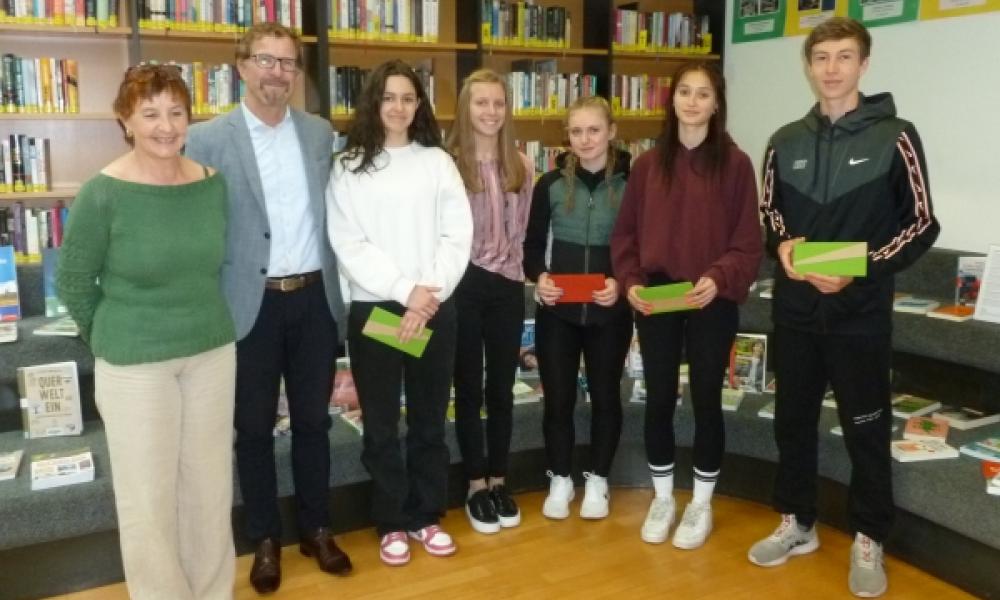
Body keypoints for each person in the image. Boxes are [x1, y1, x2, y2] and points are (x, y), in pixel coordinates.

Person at [748, 17, 939, 598]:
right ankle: (797, 521)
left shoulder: (897, 134)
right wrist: (782, 247)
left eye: (844, 57)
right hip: (797, 315)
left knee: (866, 429)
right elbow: (772, 215)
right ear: (808, 66)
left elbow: (921, 223)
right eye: (822, 57)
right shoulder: (784, 140)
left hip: (860, 316)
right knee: (793, 424)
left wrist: (858, 269)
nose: (831, 68)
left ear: (864, 64)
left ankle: (869, 536)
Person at [57, 64, 236, 599]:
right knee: (148, 502)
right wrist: (112, 335)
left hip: (210, 352)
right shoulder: (103, 192)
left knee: (208, 490)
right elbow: (72, 280)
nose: (166, 125)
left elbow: (215, 268)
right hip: (135, 363)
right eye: (150, 113)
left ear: (189, 117)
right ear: (125, 120)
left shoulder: (211, 184)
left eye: (176, 112)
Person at [185, 22, 351, 595]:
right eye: (266, 60)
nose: (276, 72)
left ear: (296, 73)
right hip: (246, 305)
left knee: (313, 423)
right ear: (241, 66)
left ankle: (317, 528)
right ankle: (263, 539)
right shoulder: (207, 139)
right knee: (252, 429)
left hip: (313, 301)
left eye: (287, 63)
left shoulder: (320, 133)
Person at [611, 61, 763, 549]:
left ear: (716, 103)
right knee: (657, 397)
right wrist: (631, 281)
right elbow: (626, 236)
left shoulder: (736, 165)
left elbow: (747, 243)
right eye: (684, 92)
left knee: (705, 401)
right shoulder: (647, 165)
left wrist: (718, 279)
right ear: (671, 100)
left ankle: (700, 504)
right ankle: (662, 497)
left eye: (703, 94)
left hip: (709, 299)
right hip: (657, 297)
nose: (692, 102)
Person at [327, 59, 473, 567]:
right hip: (376, 312)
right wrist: (404, 291)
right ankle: (391, 520)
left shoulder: (438, 163)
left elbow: (458, 236)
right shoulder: (347, 167)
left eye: (408, 98)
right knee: (382, 427)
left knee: (431, 423)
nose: (398, 107)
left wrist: (425, 297)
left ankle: (425, 515)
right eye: (389, 97)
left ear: (419, 105)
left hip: (434, 307)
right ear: (373, 101)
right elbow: (349, 244)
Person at [523, 96, 633, 521]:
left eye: (593, 130)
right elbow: (532, 248)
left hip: (609, 312)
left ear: (611, 131)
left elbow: (639, 247)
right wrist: (540, 278)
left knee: (606, 397)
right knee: (559, 400)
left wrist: (620, 283)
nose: (585, 140)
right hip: (559, 313)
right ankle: (561, 478)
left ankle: (599, 479)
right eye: (576, 131)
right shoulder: (548, 183)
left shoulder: (632, 183)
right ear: (566, 136)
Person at [445, 68, 534, 535]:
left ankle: (500, 479)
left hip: (506, 287)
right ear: (466, 108)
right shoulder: (447, 164)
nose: (491, 112)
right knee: (470, 389)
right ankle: (475, 483)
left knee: (502, 387)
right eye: (481, 103)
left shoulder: (521, 165)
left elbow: (521, 234)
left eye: (499, 103)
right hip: (463, 285)